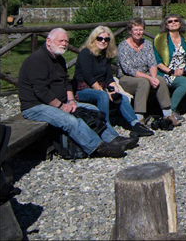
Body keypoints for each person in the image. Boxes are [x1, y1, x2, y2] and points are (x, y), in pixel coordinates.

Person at [18, 28, 133, 158]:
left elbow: (67, 83)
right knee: (70, 121)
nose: (64, 44)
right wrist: (61, 106)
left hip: (60, 102)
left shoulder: (59, 59)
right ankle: (99, 148)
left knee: (93, 110)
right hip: (36, 106)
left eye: (66, 41)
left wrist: (71, 101)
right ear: (48, 41)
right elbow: (41, 91)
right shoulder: (37, 60)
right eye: (61, 40)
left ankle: (113, 138)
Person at [73, 26, 153, 137]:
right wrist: (103, 92)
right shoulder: (85, 53)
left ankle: (135, 124)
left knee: (121, 97)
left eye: (106, 39)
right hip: (83, 89)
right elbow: (88, 77)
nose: (103, 41)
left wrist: (114, 89)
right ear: (93, 39)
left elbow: (109, 77)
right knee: (103, 96)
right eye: (100, 38)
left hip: (100, 88)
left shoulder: (105, 55)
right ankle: (106, 127)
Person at [116, 17, 182, 126]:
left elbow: (152, 63)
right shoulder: (123, 46)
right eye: (136, 30)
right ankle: (139, 118)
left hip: (146, 74)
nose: (138, 32)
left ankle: (168, 114)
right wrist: (149, 78)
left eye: (141, 29)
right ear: (130, 31)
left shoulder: (146, 43)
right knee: (143, 82)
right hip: (127, 78)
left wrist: (154, 77)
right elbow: (129, 70)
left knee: (160, 80)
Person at [153, 14, 186, 118]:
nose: (173, 23)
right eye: (170, 21)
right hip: (167, 72)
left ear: (180, 23)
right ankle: (171, 110)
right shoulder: (160, 40)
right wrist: (172, 72)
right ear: (166, 25)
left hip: (184, 71)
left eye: (176, 20)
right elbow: (157, 62)